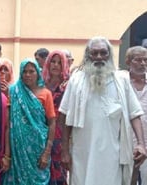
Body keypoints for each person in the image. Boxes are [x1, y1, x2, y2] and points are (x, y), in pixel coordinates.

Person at [59, 37, 147, 185]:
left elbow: (134, 114)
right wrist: (65, 150)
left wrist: (140, 144)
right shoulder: (76, 80)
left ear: (109, 55)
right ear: (88, 55)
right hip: (82, 153)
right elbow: (65, 115)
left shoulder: (122, 80)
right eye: (95, 53)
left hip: (112, 154)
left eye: (103, 53)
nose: (99, 57)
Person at [2, 58, 56, 185]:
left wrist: (47, 153)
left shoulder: (46, 94)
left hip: (38, 150)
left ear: (38, 73)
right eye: (24, 72)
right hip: (17, 152)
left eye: (31, 71)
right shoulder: (14, 92)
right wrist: (7, 155)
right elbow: (9, 125)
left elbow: (52, 123)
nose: (27, 75)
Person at [42, 50, 70, 185]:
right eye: (53, 61)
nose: (56, 65)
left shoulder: (68, 86)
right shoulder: (41, 84)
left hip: (61, 135)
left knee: (59, 172)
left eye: (60, 62)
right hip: (42, 133)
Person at [124, 46, 147, 185]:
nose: (143, 63)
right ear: (128, 62)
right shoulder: (121, 83)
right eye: (138, 60)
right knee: (126, 181)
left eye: (145, 60)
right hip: (126, 144)